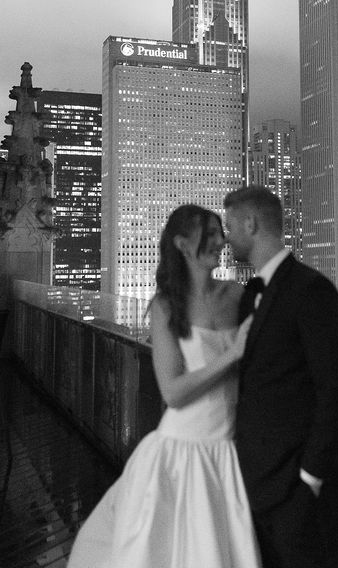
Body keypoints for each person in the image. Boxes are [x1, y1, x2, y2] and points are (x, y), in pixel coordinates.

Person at [67, 204, 262, 568]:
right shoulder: (167, 306)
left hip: (228, 449)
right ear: (182, 244)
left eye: (221, 232)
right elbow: (172, 391)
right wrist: (232, 353)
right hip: (182, 450)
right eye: (210, 234)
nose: (221, 240)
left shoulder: (238, 296)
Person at [223, 185, 338, 568]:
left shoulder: (312, 290)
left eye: (230, 225)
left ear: (251, 223)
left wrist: (309, 481)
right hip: (255, 483)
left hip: (299, 491)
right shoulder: (250, 294)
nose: (227, 235)